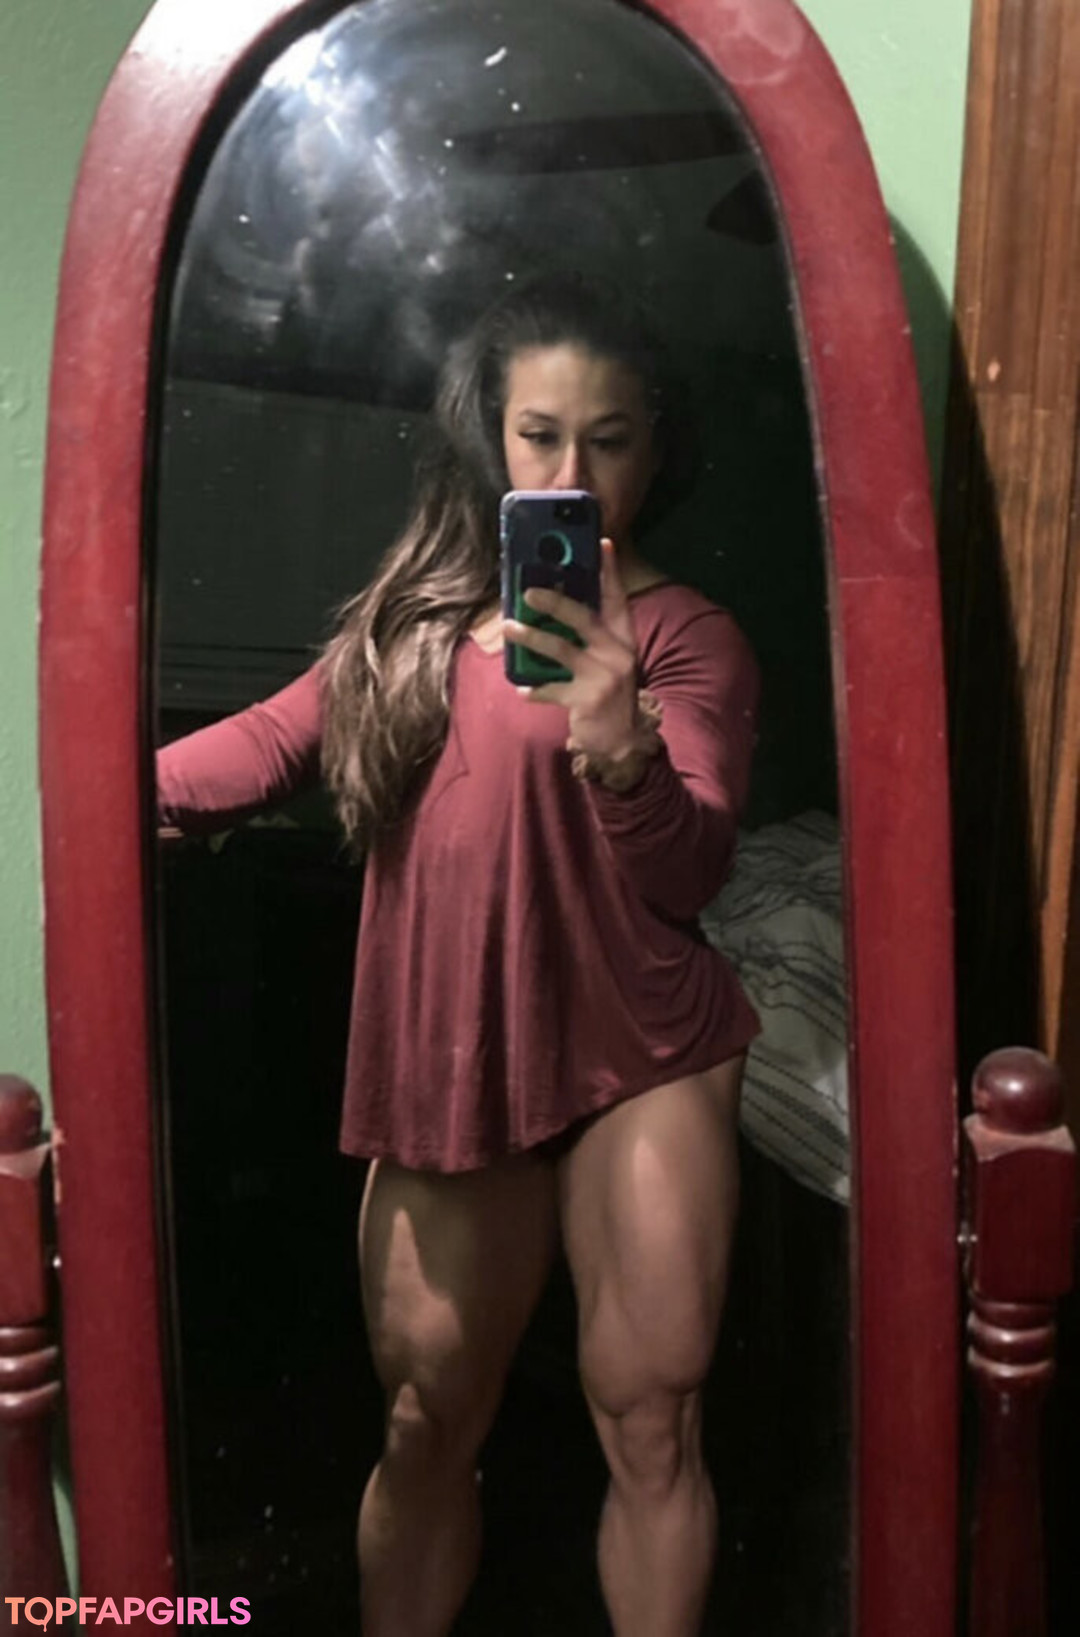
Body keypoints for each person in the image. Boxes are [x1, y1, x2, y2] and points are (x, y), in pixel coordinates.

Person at [157, 271, 761, 1637]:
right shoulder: (419, 620)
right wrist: (90, 792)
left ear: (654, 450)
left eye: (609, 439)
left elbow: (692, 870)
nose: (572, 473)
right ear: (493, 437)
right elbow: (268, 744)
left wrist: (621, 742)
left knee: (652, 1420)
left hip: (642, 1048)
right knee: (428, 1419)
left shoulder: (688, 637)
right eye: (540, 434)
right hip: (458, 1050)